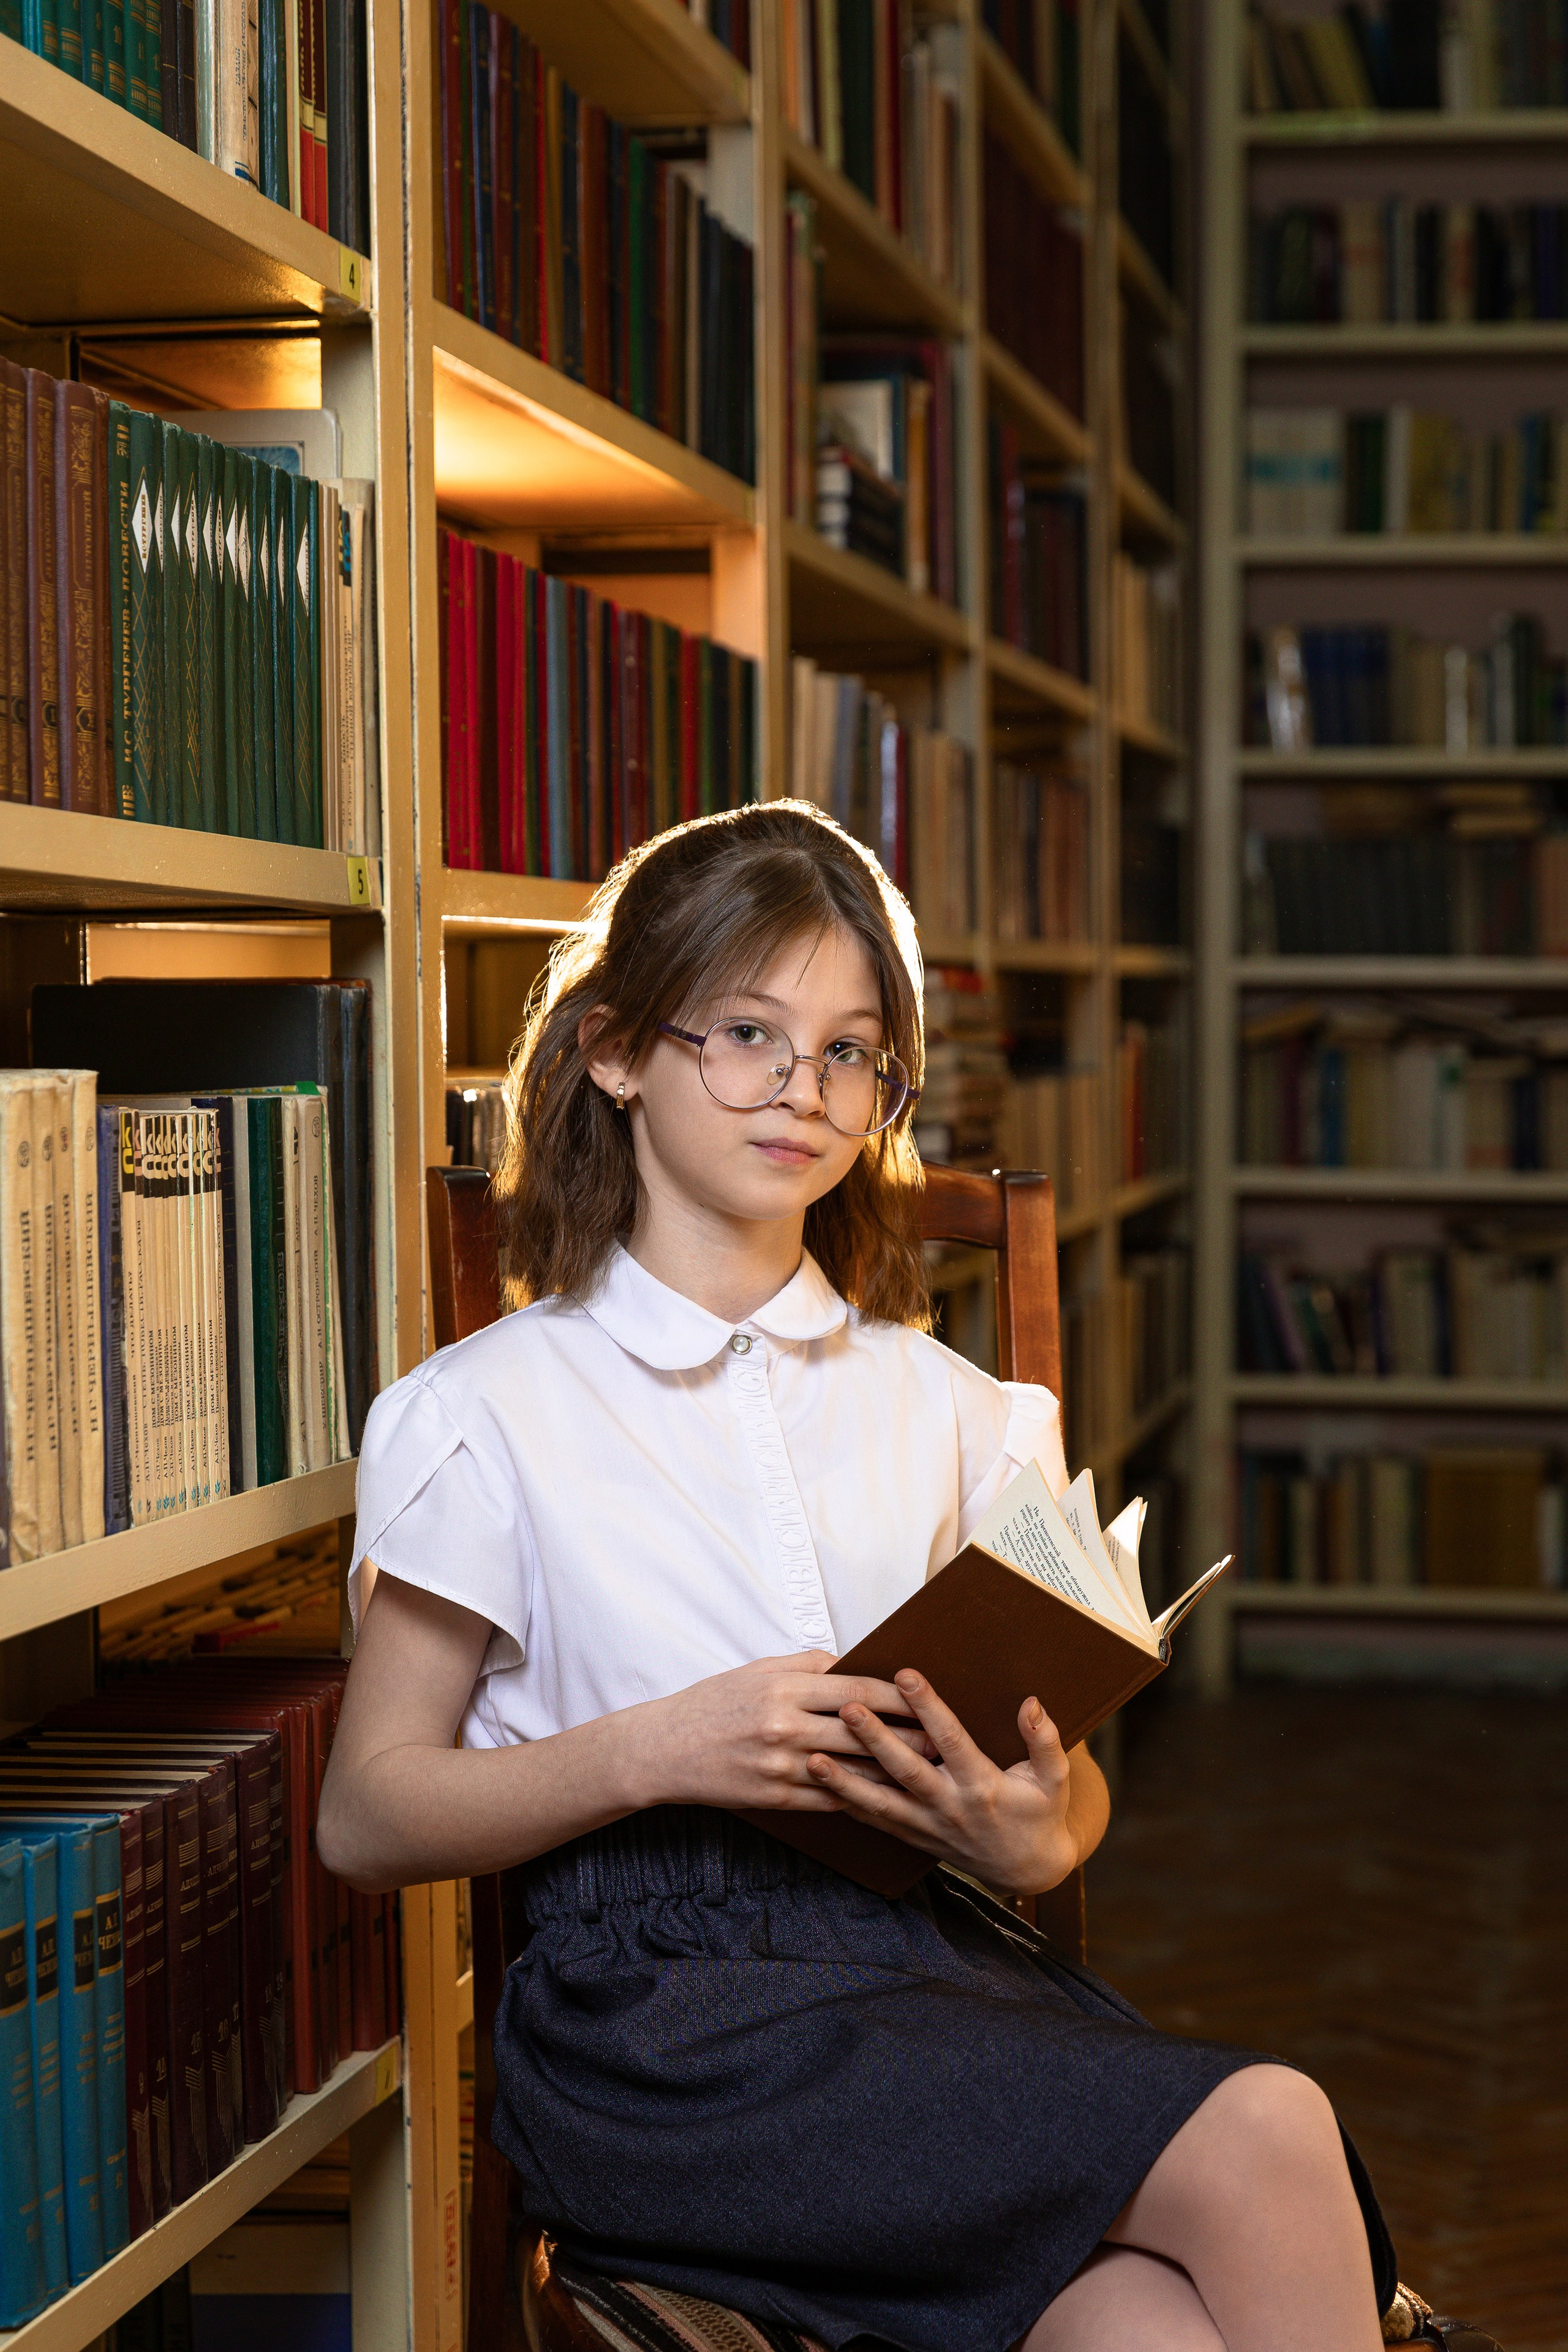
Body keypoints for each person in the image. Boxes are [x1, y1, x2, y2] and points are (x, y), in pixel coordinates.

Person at [318, 801, 1395, 2352]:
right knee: (1267, 2125)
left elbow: (1061, 1800)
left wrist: (1032, 1832)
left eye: (848, 1052)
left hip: (928, 1963)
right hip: (653, 2030)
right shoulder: (484, 1414)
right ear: (616, 1052)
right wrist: (660, 1748)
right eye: (747, 1033)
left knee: (1141, 2330)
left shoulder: (959, 1412)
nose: (801, 1092)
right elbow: (366, 1814)